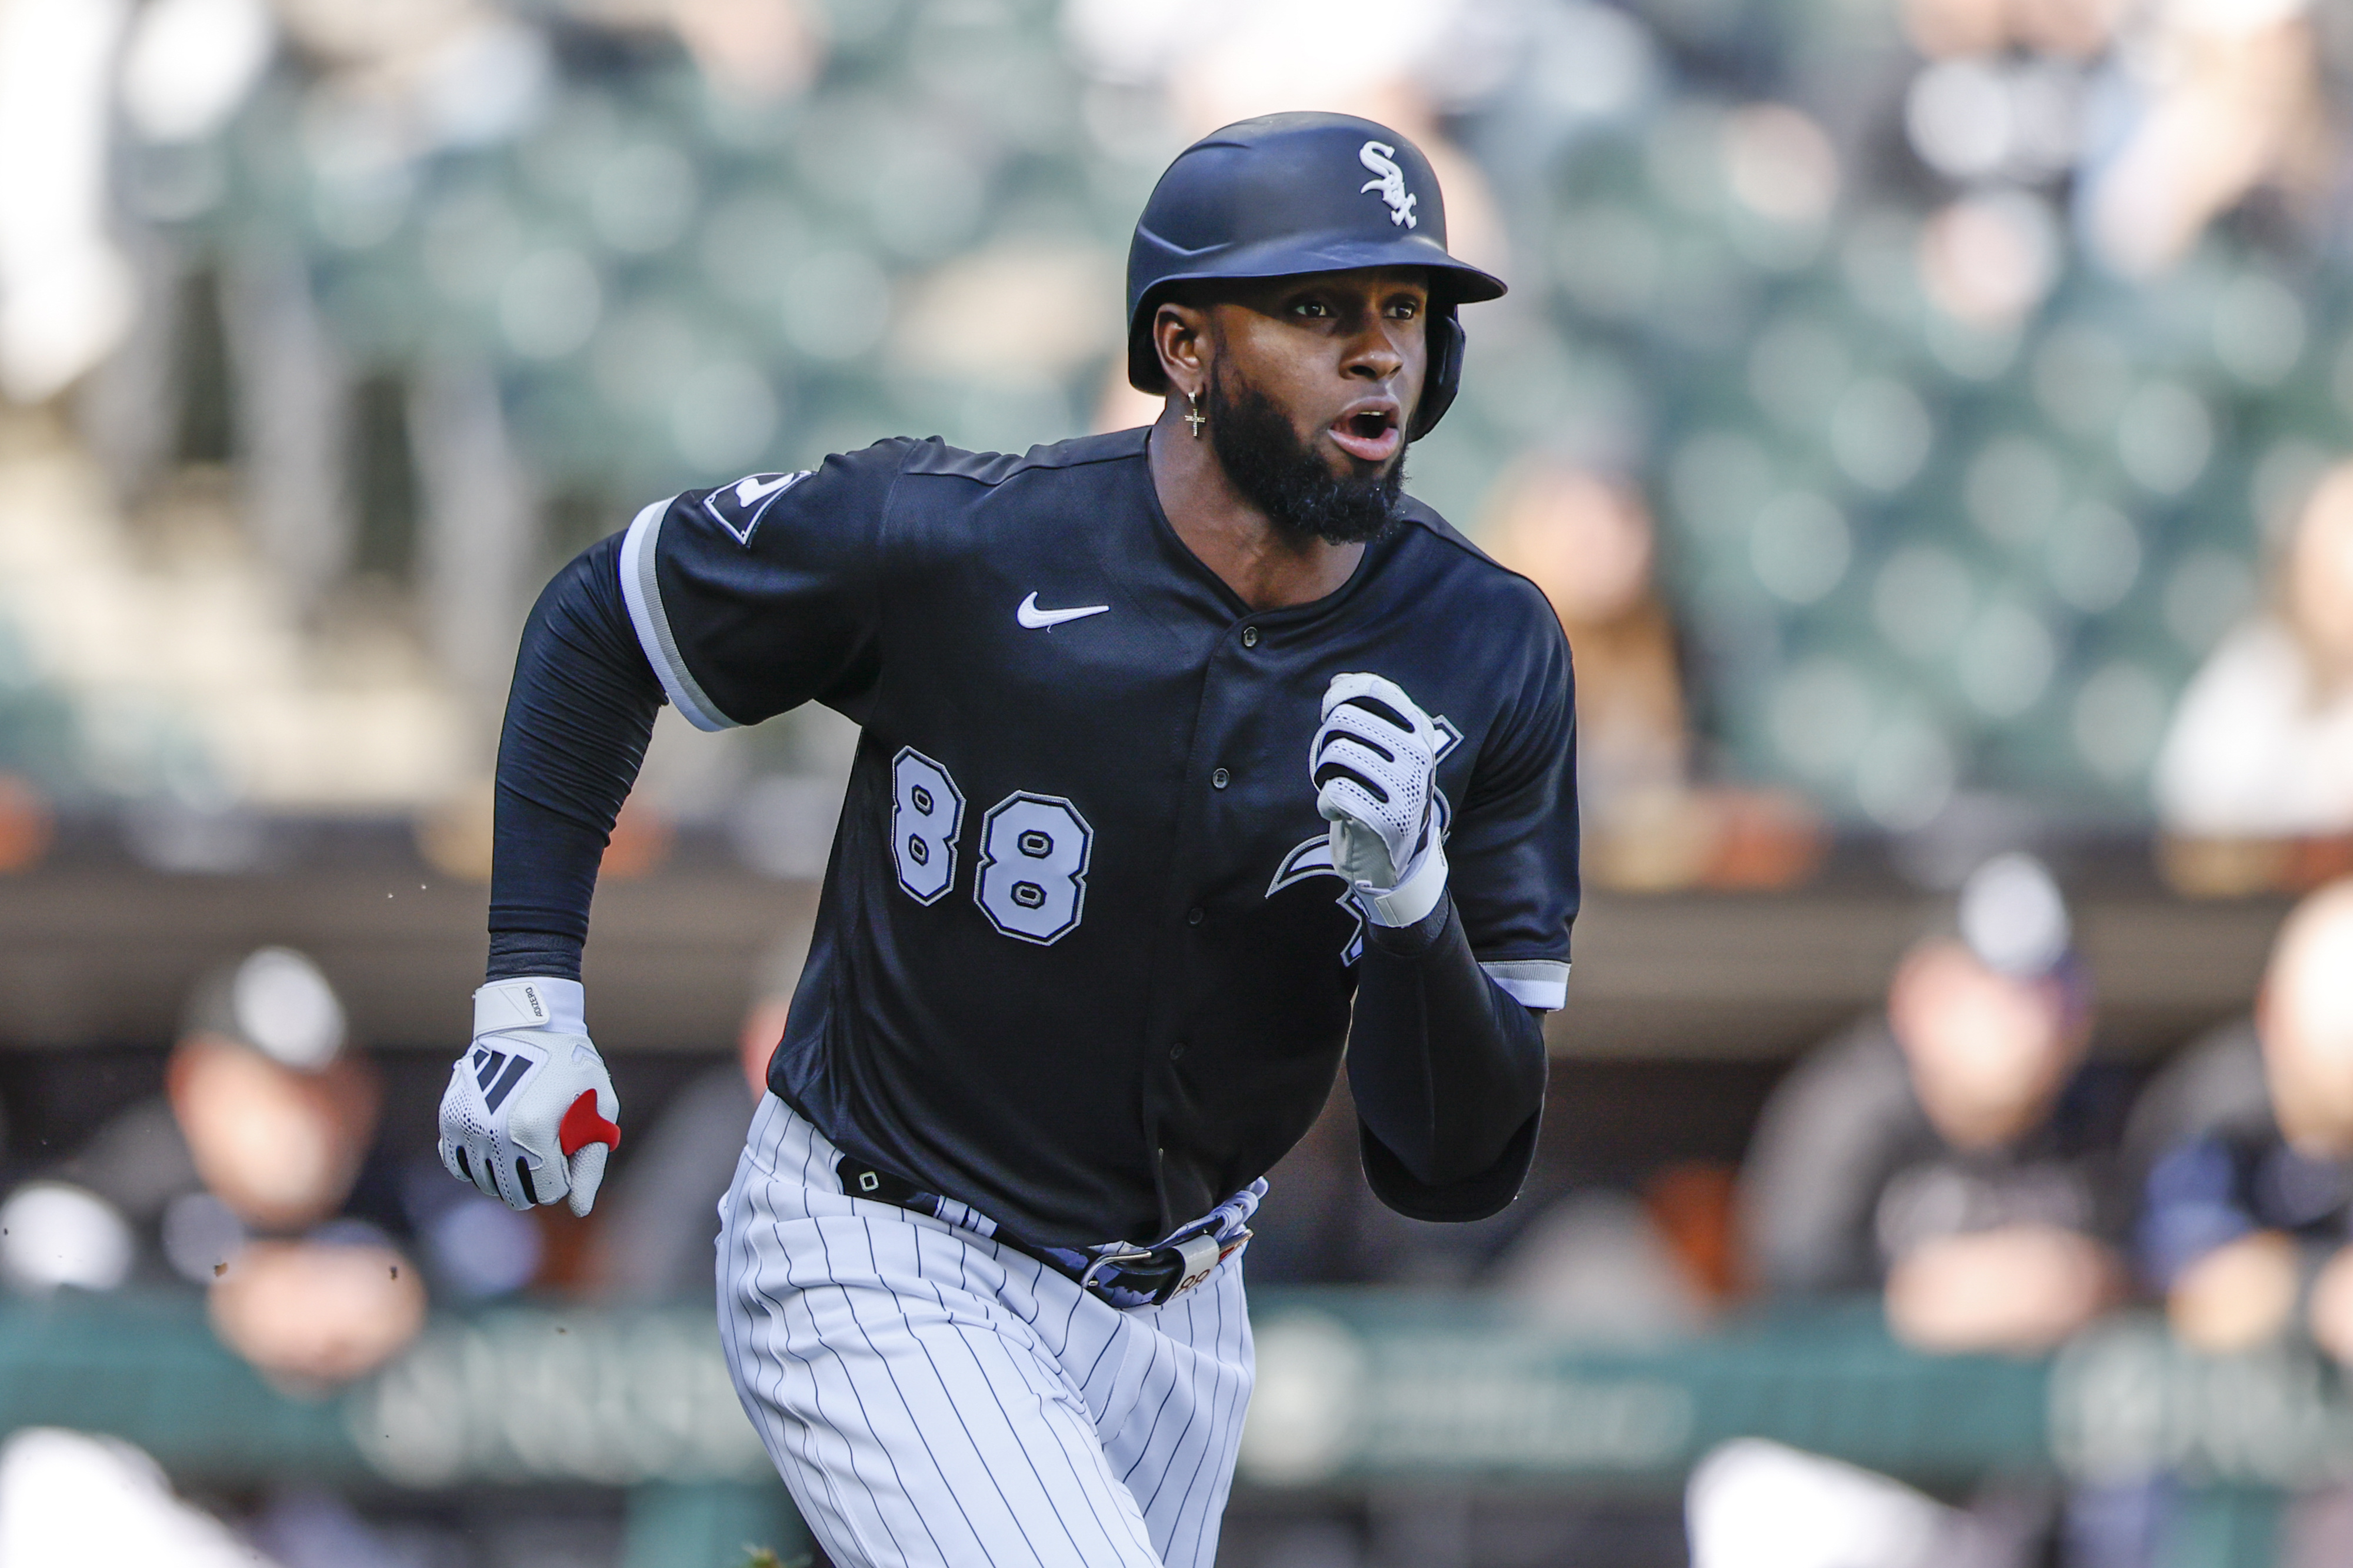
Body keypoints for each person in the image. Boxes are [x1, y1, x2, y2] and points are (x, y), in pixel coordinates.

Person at [435, 112, 1576, 1568]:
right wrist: (529, 989)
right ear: (1182, 348)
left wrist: (1414, 906)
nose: (1379, 352)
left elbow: (1457, 1164)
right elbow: (606, 614)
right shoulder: (963, 541)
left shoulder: (1488, 646)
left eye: (1404, 310)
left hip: (1181, 1307)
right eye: (1314, 308)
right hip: (882, 1235)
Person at [1738, 853, 2122, 1354]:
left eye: (2059, 989)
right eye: (2007, 991)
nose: (2039, 1021)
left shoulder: (2103, 1114)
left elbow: (2169, 1272)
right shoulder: (1845, 1114)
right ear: (1921, 995)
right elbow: (1786, 1307)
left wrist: (2093, 1282)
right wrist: (1918, 1306)